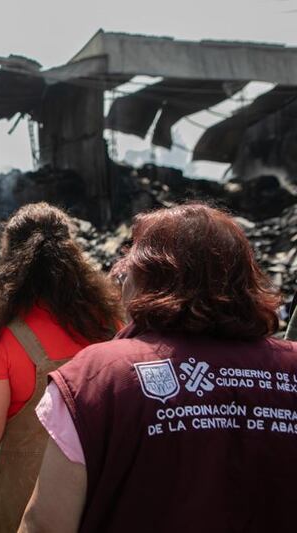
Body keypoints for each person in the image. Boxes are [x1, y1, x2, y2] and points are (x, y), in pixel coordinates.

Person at [21, 203, 295, 533]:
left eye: (127, 271)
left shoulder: (98, 377)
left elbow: (45, 525)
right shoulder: (289, 368)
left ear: (149, 280)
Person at [0, 203, 122, 533]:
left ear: (10, 258)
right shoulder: (109, 323)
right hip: (99, 486)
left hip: (24, 495)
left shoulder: (3, 335)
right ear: (73, 252)